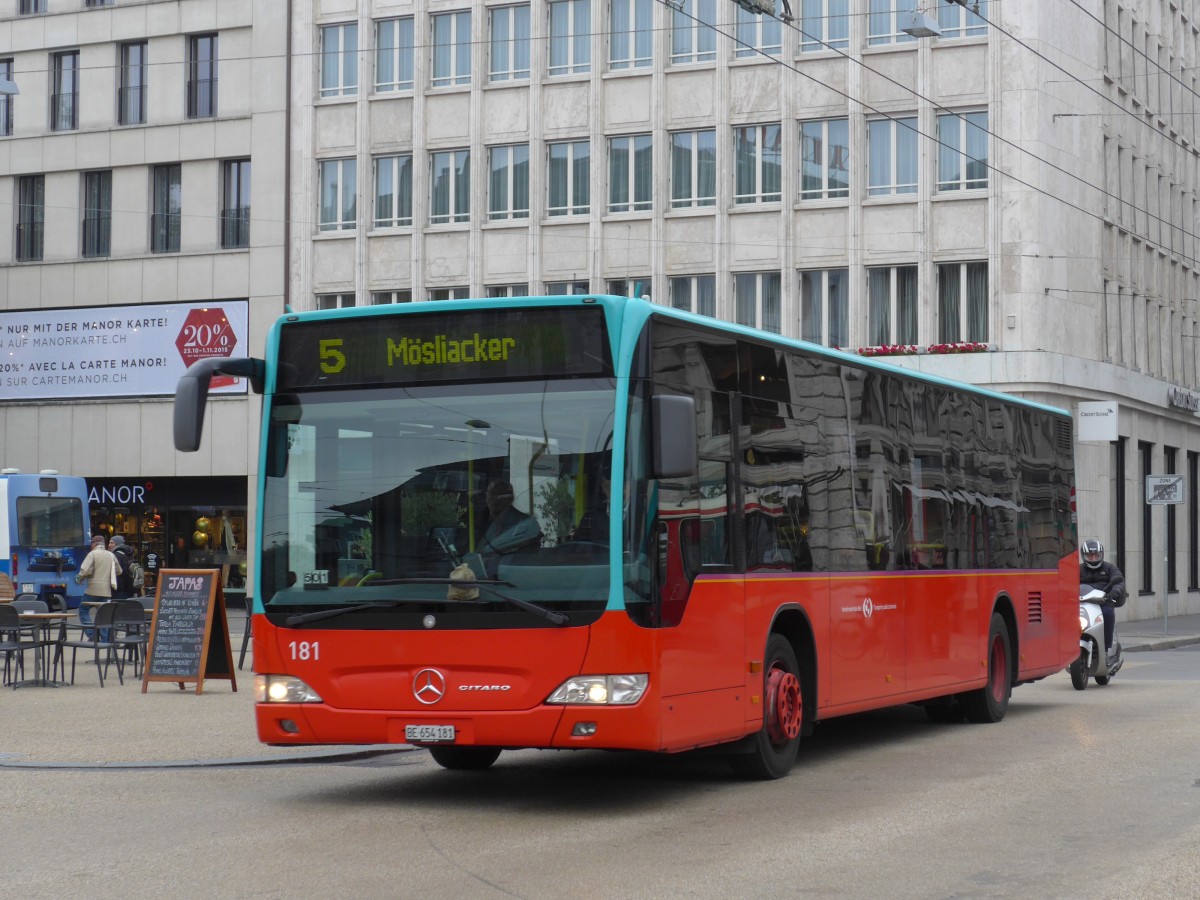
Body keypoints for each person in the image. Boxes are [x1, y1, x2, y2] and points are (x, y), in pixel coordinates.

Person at [1080, 538, 1126, 661]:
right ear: (1084, 556)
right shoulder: (1077, 570)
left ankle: (1107, 649)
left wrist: (1115, 592)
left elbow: (1119, 581)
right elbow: (1065, 583)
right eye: (1090, 556)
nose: (1094, 558)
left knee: (1108, 613)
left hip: (1103, 602)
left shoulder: (1110, 568)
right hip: (1082, 604)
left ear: (1101, 555)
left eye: (1096, 555)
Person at [478, 480, 542, 558]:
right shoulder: (488, 524)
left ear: (510, 499)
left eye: (498, 495)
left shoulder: (525, 523)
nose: (492, 500)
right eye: (490, 495)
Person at [75, 534, 121, 639]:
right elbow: (119, 571)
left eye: (91, 543)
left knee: (83, 609)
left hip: (92, 589)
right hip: (107, 590)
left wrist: (80, 579)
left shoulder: (92, 554)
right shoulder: (111, 555)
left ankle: (92, 634)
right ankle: (105, 639)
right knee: (104, 614)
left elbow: (84, 570)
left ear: (95, 544)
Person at [109, 535, 136, 599]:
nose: (109, 545)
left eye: (112, 543)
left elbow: (116, 572)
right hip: (129, 586)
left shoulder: (116, 556)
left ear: (117, 544)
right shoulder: (128, 553)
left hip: (119, 587)